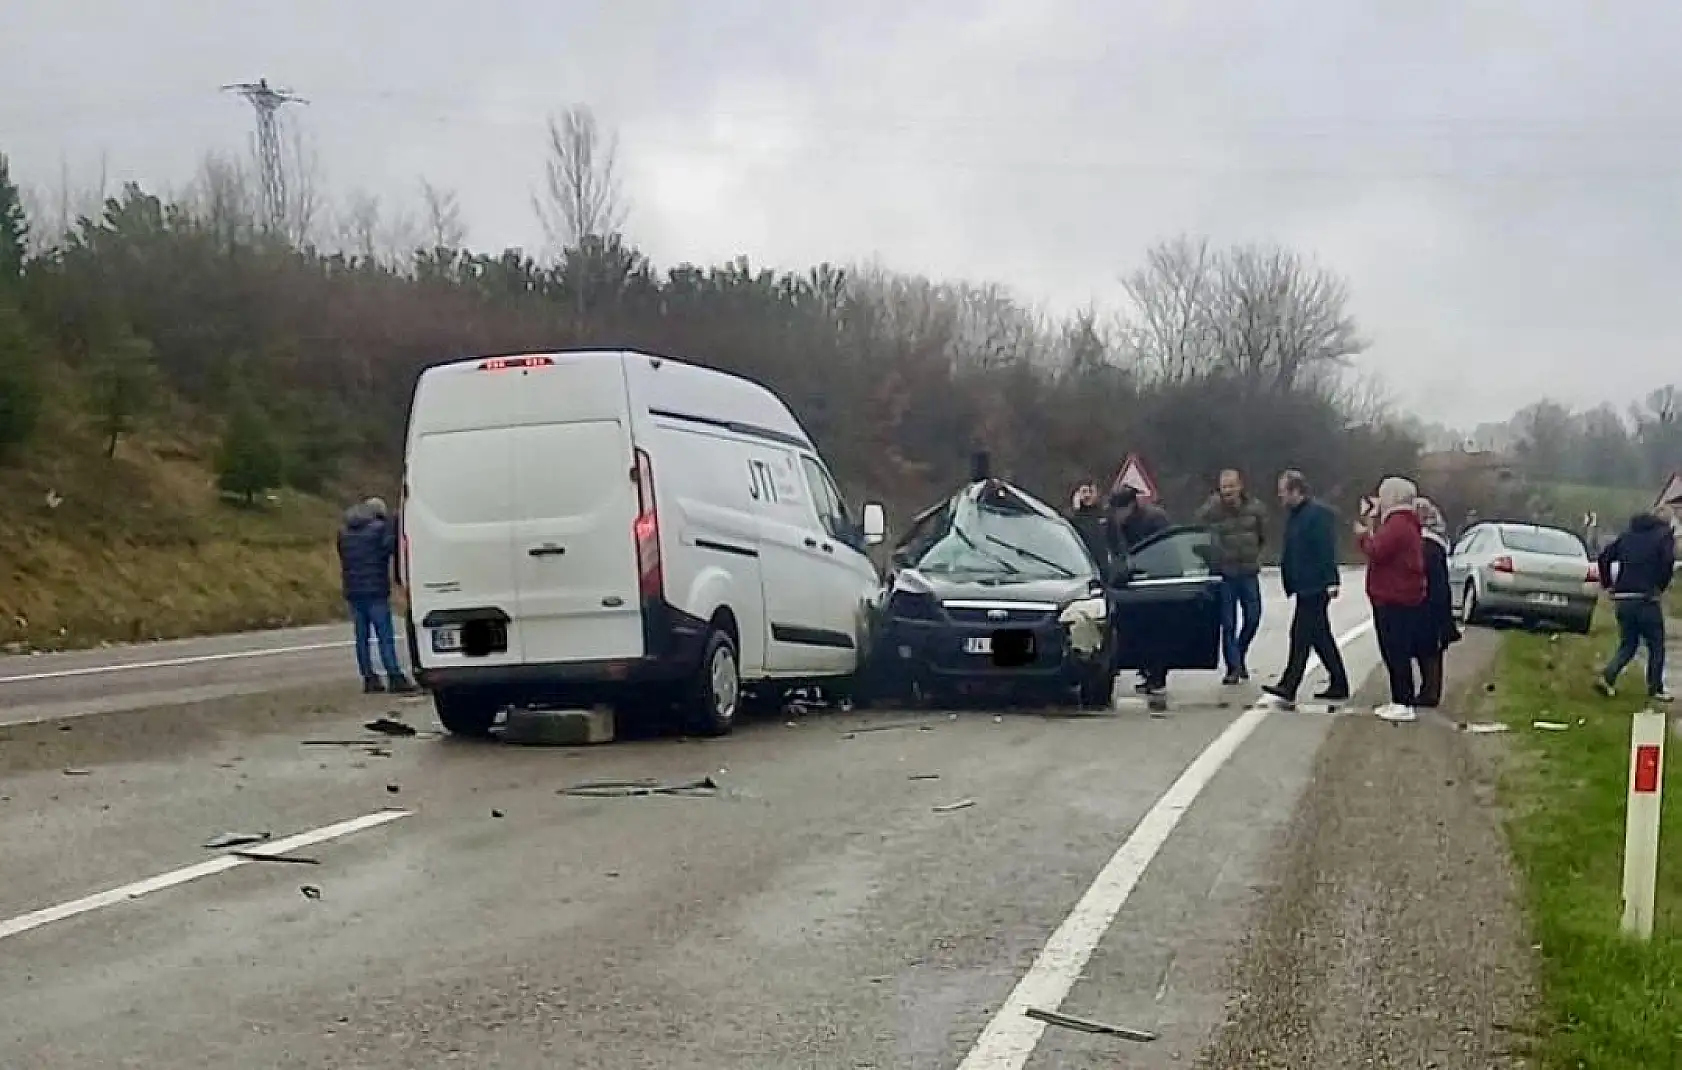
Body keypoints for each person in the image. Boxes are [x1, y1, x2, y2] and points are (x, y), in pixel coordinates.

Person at [1262, 470, 1350, 706]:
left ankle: (1289, 685)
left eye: (1283, 491)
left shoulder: (1317, 515)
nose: (1280, 496)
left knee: (1300, 636)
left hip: (1315, 585)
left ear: (1296, 491)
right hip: (1303, 585)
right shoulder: (1296, 515)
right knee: (1320, 636)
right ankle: (1339, 682)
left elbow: (1325, 549)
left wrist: (1332, 580)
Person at [1356, 476, 1427, 722]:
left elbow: (1377, 550)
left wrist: (1363, 535)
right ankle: (1400, 699)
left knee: (1395, 649)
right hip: (1398, 594)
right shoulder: (1403, 522)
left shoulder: (1398, 523)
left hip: (1394, 595)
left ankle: (1403, 701)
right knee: (1395, 649)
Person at [1594, 508, 1676, 702]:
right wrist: (1660, 586)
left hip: (1623, 597)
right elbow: (1667, 562)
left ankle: (1608, 677)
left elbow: (1604, 558)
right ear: (1666, 521)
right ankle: (1655, 688)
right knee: (1656, 645)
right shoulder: (1664, 535)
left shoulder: (1627, 536)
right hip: (1646, 598)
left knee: (1629, 644)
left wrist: (1607, 583)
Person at [1195, 468, 1268, 685]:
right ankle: (1233, 667)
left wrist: (1255, 556)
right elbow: (1199, 538)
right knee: (1228, 623)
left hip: (1248, 572)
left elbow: (1263, 536)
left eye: (1231, 486)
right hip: (1225, 575)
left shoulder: (1255, 508)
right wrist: (1213, 561)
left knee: (1253, 618)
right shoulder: (1210, 511)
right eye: (1224, 487)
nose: (1228, 491)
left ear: (1240, 486)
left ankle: (1240, 651)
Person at [337, 496, 416, 694]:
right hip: (376, 590)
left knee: (362, 637)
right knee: (384, 636)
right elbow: (390, 548)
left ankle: (369, 678)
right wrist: (394, 523)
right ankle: (394, 676)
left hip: (353, 590)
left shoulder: (344, 532)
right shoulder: (379, 530)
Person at [1108, 486, 1173, 695]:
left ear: (1131, 505)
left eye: (1121, 509)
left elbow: (1165, 549)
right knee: (1138, 630)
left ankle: (1157, 675)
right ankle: (1146, 671)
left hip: (1156, 580)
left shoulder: (1155, 519)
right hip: (1131, 582)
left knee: (1157, 631)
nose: (1118, 515)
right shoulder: (1117, 524)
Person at [1413, 497, 1461, 708]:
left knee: (1429, 648)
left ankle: (1430, 692)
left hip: (1430, 601)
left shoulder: (1428, 545)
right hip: (1437, 600)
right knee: (1430, 648)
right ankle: (1429, 690)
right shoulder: (1437, 542)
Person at [1066, 482, 1111, 573]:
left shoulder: (1103, 514)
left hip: (1103, 562)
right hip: (1083, 563)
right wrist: (1076, 509)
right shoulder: (1072, 517)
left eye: (1090, 491)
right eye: (1084, 492)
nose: (1087, 495)